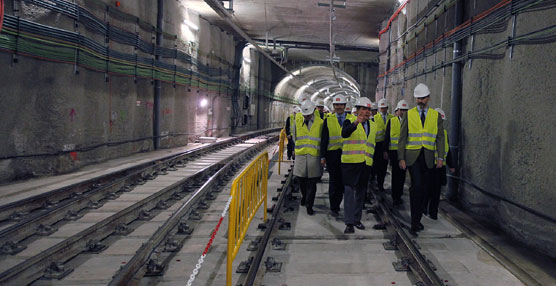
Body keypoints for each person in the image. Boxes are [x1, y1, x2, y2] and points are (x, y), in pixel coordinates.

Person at [398, 83, 445, 236]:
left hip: (429, 157)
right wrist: (401, 158)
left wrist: (440, 157)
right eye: (418, 99)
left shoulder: (435, 116)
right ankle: (414, 221)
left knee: (424, 189)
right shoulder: (408, 114)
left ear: (428, 98)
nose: (420, 101)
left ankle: (417, 220)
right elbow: (402, 138)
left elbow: (440, 138)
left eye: (423, 98)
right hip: (413, 157)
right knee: (416, 187)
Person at [341, 97, 377, 234]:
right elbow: (344, 134)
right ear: (357, 110)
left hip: (365, 163)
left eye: (368, 109)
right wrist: (357, 122)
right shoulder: (349, 121)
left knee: (361, 193)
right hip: (350, 162)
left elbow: (373, 144)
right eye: (363, 109)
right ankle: (349, 223)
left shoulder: (373, 125)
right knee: (349, 193)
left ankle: (357, 219)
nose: (366, 112)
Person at [423, 108, 455, 219]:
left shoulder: (444, 133)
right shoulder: (427, 132)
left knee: (436, 192)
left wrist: (451, 165)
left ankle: (433, 213)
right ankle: (423, 209)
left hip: (439, 167)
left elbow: (447, 150)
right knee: (427, 189)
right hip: (429, 165)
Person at [293, 101, 324, 215]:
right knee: (301, 180)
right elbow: (294, 136)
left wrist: (322, 156)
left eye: (308, 114)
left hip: (314, 156)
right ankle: (305, 197)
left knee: (312, 182)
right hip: (301, 154)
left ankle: (309, 205)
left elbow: (322, 139)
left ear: (314, 111)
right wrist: (294, 150)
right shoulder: (297, 120)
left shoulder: (320, 122)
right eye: (305, 114)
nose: (306, 116)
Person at [320, 95, 347, 217]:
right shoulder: (328, 120)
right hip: (332, 155)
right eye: (336, 105)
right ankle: (333, 207)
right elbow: (324, 139)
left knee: (342, 182)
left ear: (345, 106)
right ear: (334, 107)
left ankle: (338, 203)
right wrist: (322, 156)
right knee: (333, 182)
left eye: (341, 105)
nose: (339, 107)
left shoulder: (351, 119)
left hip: (347, 155)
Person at [384, 100, 409, 206]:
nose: (403, 112)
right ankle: (395, 196)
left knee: (402, 175)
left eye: (405, 110)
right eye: (401, 110)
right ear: (397, 111)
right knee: (395, 175)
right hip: (394, 153)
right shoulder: (392, 121)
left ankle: (399, 195)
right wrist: (385, 151)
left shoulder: (410, 122)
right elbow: (387, 137)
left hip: (405, 152)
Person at [374, 98, 395, 192]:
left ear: (387, 108)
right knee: (377, 165)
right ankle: (377, 182)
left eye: (384, 108)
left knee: (384, 166)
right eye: (381, 108)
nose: (383, 109)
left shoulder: (392, 118)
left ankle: (380, 184)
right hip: (377, 145)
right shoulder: (375, 118)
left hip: (387, 145)